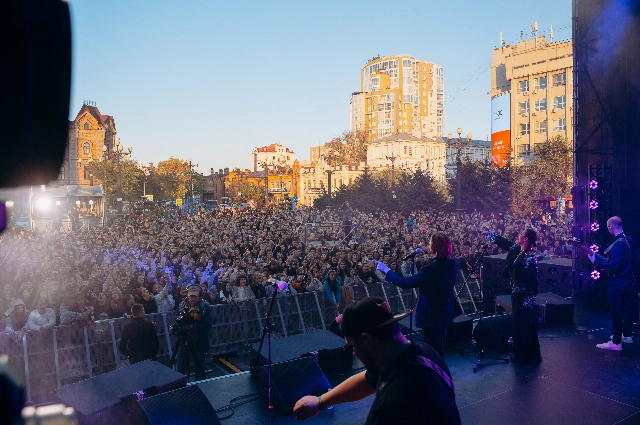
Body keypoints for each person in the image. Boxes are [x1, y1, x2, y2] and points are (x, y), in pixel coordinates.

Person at [293, 297, 461, 424]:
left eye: (351, 346)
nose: (352, 353)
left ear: (366, 341)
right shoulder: (425, 354)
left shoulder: (391, 404)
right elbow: (367, 380)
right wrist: (321, 401)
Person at [374, 232, 458, 357]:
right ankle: (441, 369)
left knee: (433, 349)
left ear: (433, 247)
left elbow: (404, 283)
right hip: (446, 311)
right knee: (440, 344)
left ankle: (438, 372)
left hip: (431, 315)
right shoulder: (454, 263)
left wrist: (386, 270)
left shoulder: (429, 269)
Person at [483, 228, 541, 362]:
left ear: (526, 239)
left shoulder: (529, 256)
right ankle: (528, 353)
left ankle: (524, 355)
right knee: (520, 324)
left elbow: (533, 280)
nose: (518, 235)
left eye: (521, 234)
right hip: (517, 293)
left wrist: (530, 299)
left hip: (524, 296)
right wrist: (491, 235)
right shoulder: (517, 250)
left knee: (523, 325)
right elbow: (505, 243)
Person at [588, 216, 637, 350]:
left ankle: (616, 342)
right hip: (628, 280)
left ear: (611, 227)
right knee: (627, 309)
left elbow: (614, 265)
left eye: (608, 227)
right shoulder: (629, 241)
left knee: (616, 311)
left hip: (617, 282)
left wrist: (595, 262)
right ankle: (626, 335)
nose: (608, 229)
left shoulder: (617, 244)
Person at [169, 285, 212, 381]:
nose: (192, 298)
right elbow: (180, 319)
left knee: (199, 370)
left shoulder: (205, 307)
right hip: (184, 341)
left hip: (199, 342)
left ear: (199, 295)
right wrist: (174, 327)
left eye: (195, 296)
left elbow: (208, 326)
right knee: (180, 368)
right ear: (187, 295)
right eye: (191, 296)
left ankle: (200, 390)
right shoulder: (183, 305)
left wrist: (193, 327)